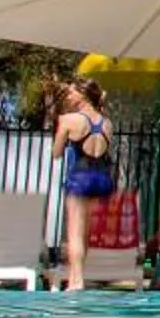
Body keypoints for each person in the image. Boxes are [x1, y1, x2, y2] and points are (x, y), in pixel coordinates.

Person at [50, 77, 117, 291]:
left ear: (82, 94)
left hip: (80, 178)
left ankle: (75, 281)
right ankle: (79, 275)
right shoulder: (107, 123)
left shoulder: (69, 120)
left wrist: (62, 132)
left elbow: (56, 153)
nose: (68, 96)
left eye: (71, 92)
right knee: (85, 231)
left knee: (74, 232)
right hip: (102, 179)